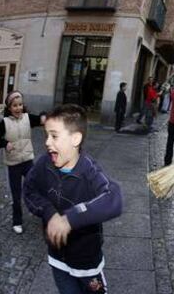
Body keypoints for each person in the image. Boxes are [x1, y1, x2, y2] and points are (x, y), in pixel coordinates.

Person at [23, 104, 123, 294]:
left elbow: (114, 197)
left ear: (75, 139)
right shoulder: (45, 163)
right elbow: (29, 189)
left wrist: (70, 219)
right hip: (56, 258)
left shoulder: (89, 170)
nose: (47, 142)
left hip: (87, 262)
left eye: (54, 136)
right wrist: (49, 213)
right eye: (46, 135)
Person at [0, 90, 46, 234]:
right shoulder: (4, 122)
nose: (18, 108)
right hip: (13, 164)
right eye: (15, 105)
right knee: (16, 193)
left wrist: (44, 117)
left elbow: (40, 119)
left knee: (37, 188)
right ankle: (17, 221)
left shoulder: (27, 118)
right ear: (9, 107)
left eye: (20, 105)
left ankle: (45, 214)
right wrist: (5, 143)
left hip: (27, 161)